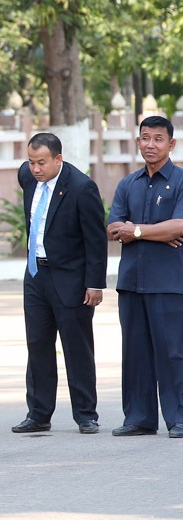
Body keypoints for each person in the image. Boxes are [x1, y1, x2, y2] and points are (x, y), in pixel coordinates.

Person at [13, 132, 107, 435]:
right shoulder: (28, 179)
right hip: (36, 276)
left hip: (71, 280)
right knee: (37, 345)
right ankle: (39, 414)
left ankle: (86, 414)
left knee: (76, 348)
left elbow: (95, 240)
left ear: (58, 159)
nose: (35, 169)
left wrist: (95, 283)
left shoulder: (81, 188)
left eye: (41, 163)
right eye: (31, 162)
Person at [107, 116, 183, 437]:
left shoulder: (180, 181)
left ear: (171, 144)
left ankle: (178, 417)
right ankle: (139, 418)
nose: (150, 144)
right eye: (145, 138)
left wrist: (136, 230)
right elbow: (113, 228)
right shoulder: (128, 183)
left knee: (172, 352)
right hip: (131, 283)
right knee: (134, 352)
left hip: (168, 282)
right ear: (137, 142)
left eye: (158, 139)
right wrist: (157, 233)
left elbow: (179, 227)